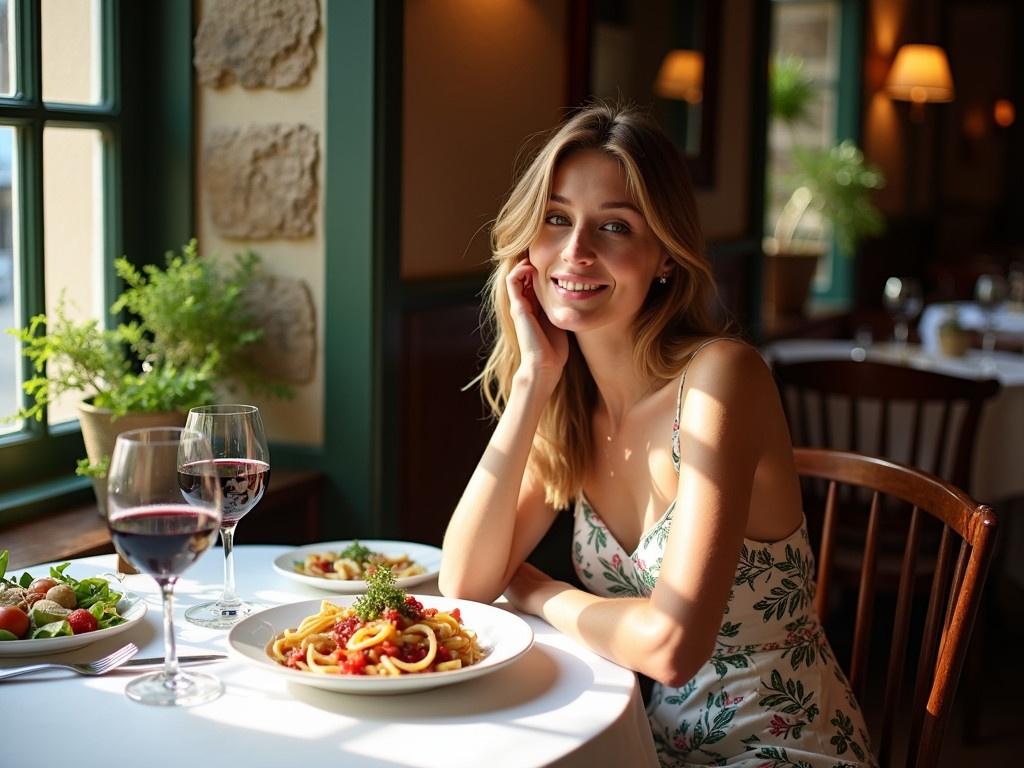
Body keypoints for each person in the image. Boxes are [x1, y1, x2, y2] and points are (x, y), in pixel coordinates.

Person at [439, 103, 876, 768]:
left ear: (665, 257)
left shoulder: (720, 380)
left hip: (782, 749)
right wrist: (533, 379)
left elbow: (671, 647)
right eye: (556, 218)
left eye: (614, 226)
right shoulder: (569, 407)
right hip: (653, 749)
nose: (576, 250)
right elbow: (465, 580)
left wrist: (532, 588)